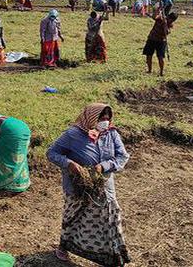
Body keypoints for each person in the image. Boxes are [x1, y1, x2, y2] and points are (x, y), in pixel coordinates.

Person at [47, 103, 130, 266]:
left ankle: (112, 255)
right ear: (91, 117)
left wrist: (104, 166)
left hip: (104, 186)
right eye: (101, 118)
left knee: (109, 217)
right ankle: (64, 246)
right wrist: (68, 163)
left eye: (108, 118)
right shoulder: (73, 134)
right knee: (73, 215)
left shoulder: (111, 134)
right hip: (78, 186)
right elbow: (52, 153)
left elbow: (122, 156)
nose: (105, 121)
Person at [143, 12, 178, 76]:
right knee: (148, 55)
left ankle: (161, 72)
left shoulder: (170, 24)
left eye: (171, 20)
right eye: (169, 18)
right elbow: (154, 17)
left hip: (161, 41)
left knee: (160, 57)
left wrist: (165, 25)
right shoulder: (161, 18)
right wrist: (157, 11)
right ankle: (149, 70)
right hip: (152, 38)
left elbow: (167, 33)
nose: (169, 20)